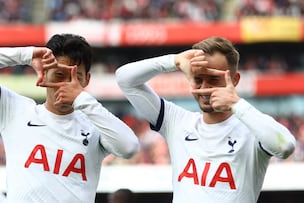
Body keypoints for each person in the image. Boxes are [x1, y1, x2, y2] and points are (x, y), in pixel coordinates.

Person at [0, 33, 140, 202]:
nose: (66, 85)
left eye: (76, 78)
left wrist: (82, 99)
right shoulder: (15, 110)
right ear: (44, 73)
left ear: (87, 80)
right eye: (59, 75)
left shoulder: (95, 125)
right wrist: (25, 55)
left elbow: (129, 147)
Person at [115, 36, 296, 203]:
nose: (205, 87)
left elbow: (285, 146)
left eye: (214, 79)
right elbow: (125, 79)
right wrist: (173, 61)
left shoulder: (252, 128)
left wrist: (237, 104)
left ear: (234, 80)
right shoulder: (177, 121)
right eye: (198, 78)